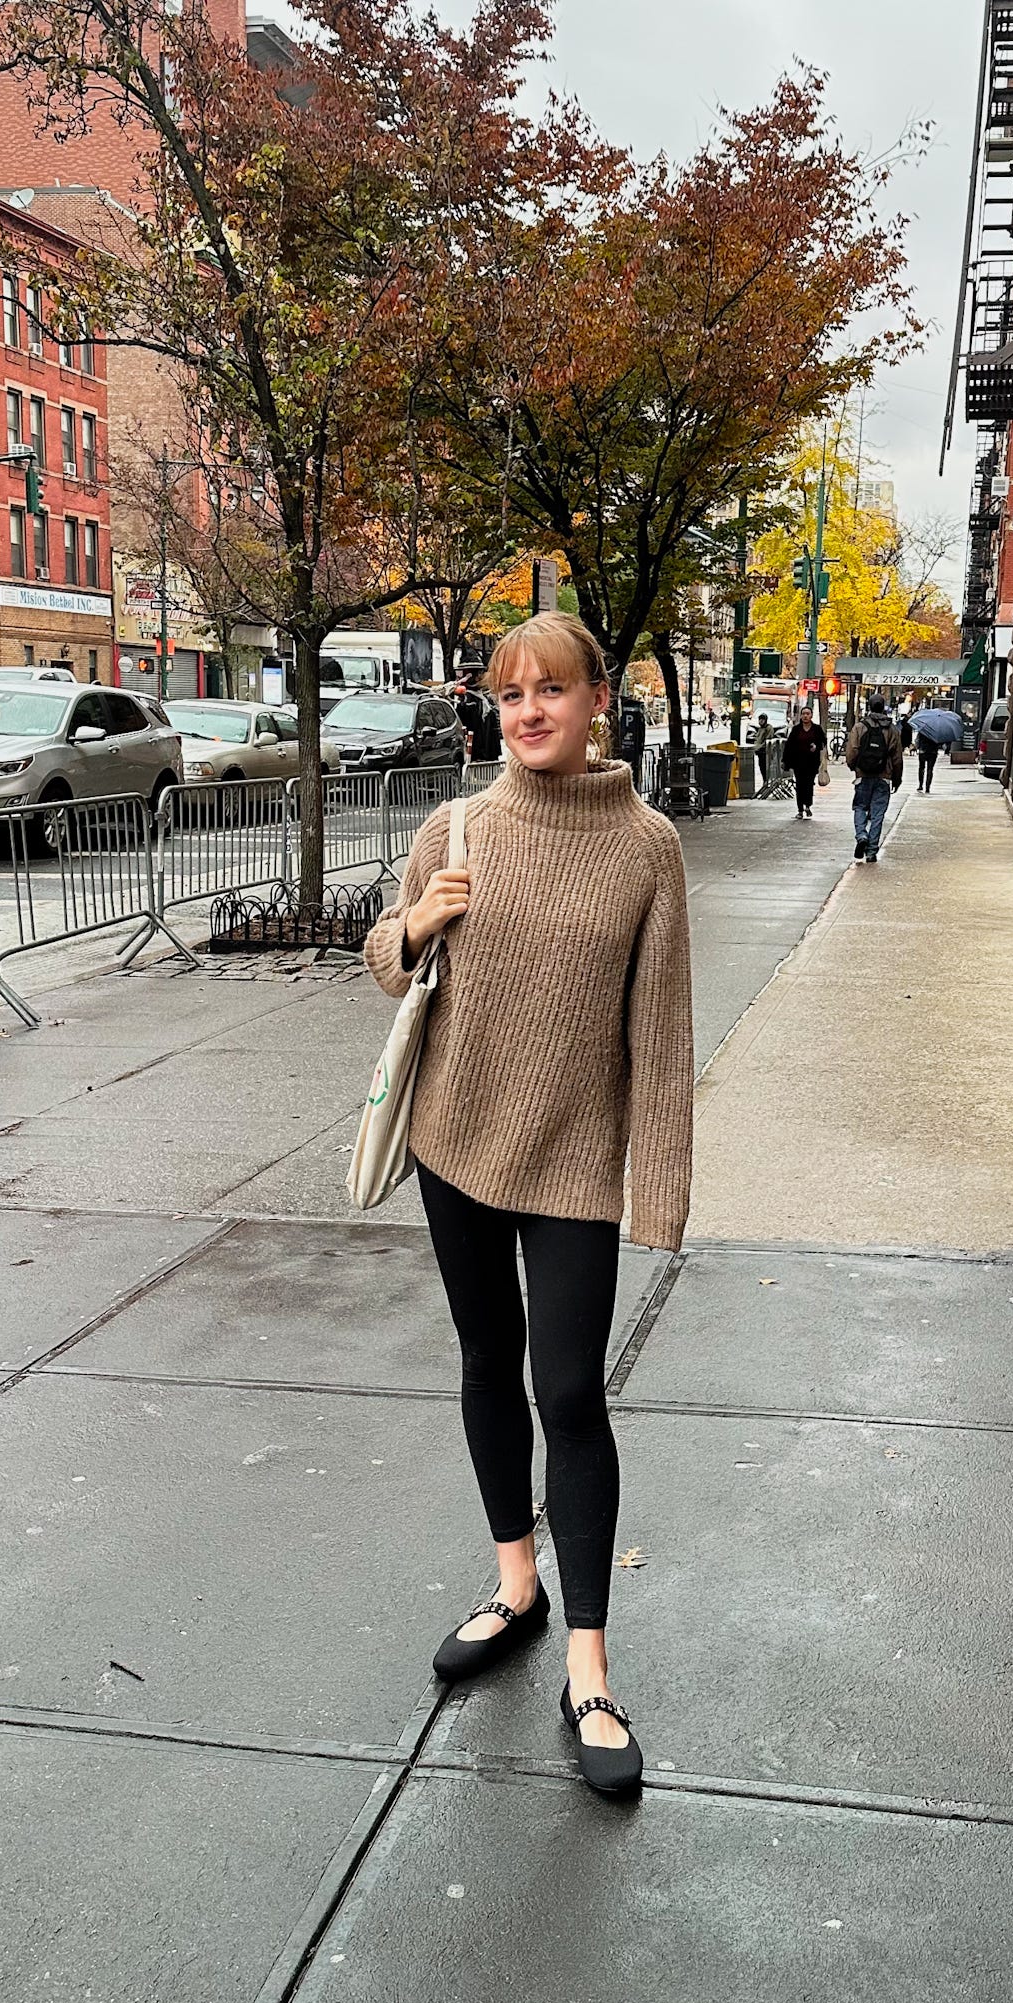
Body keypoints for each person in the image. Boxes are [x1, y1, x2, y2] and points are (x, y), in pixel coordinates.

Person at [363, 612, 693, 1798]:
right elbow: (383, 959)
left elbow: (659, 1034)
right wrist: (415, 922)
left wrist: (657, 1189)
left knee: (569, 1390)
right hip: (456, 1141)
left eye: (553, 689)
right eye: (509, 694)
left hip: (574, 1163)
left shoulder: (647, 846)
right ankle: (516, 1583)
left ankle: (589, 1668)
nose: (529, 711)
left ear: (599, 697)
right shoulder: (455, 825)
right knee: (485, 1362)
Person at [845, 690, 903, 863]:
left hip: (863, 774)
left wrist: (853, 766)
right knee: (878, 814)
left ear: (869, 706)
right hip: (883, 776)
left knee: (860, 807)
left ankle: (861, 834)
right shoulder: (891, 729)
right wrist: (897, 778)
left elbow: (852, 750)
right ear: (883, 707)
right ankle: (871, 851)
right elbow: (897, 757)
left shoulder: (860, 726)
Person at [783, 702, 828, 819]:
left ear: (811, 715)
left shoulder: (817, 729)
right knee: (799, 785)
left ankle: (808, 805)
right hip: (798, 762)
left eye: (807, 714)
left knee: (808, 785)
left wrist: (816, 746)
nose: (805, 716)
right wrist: (785, 761)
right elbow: (789, 745)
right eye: (803, 714)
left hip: (811, 763)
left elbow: (823, 742)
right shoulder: (796, 729)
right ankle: (800, 809)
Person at [916, 725, 941, 794]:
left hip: (923, 751)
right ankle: (927, 787)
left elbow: (918, 740)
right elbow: (939, 742)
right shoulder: (936, 731)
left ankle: (920, 785)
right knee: (930, 769)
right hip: (933, 752)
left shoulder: (922, 730)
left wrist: (918, 747)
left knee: (921, 768)